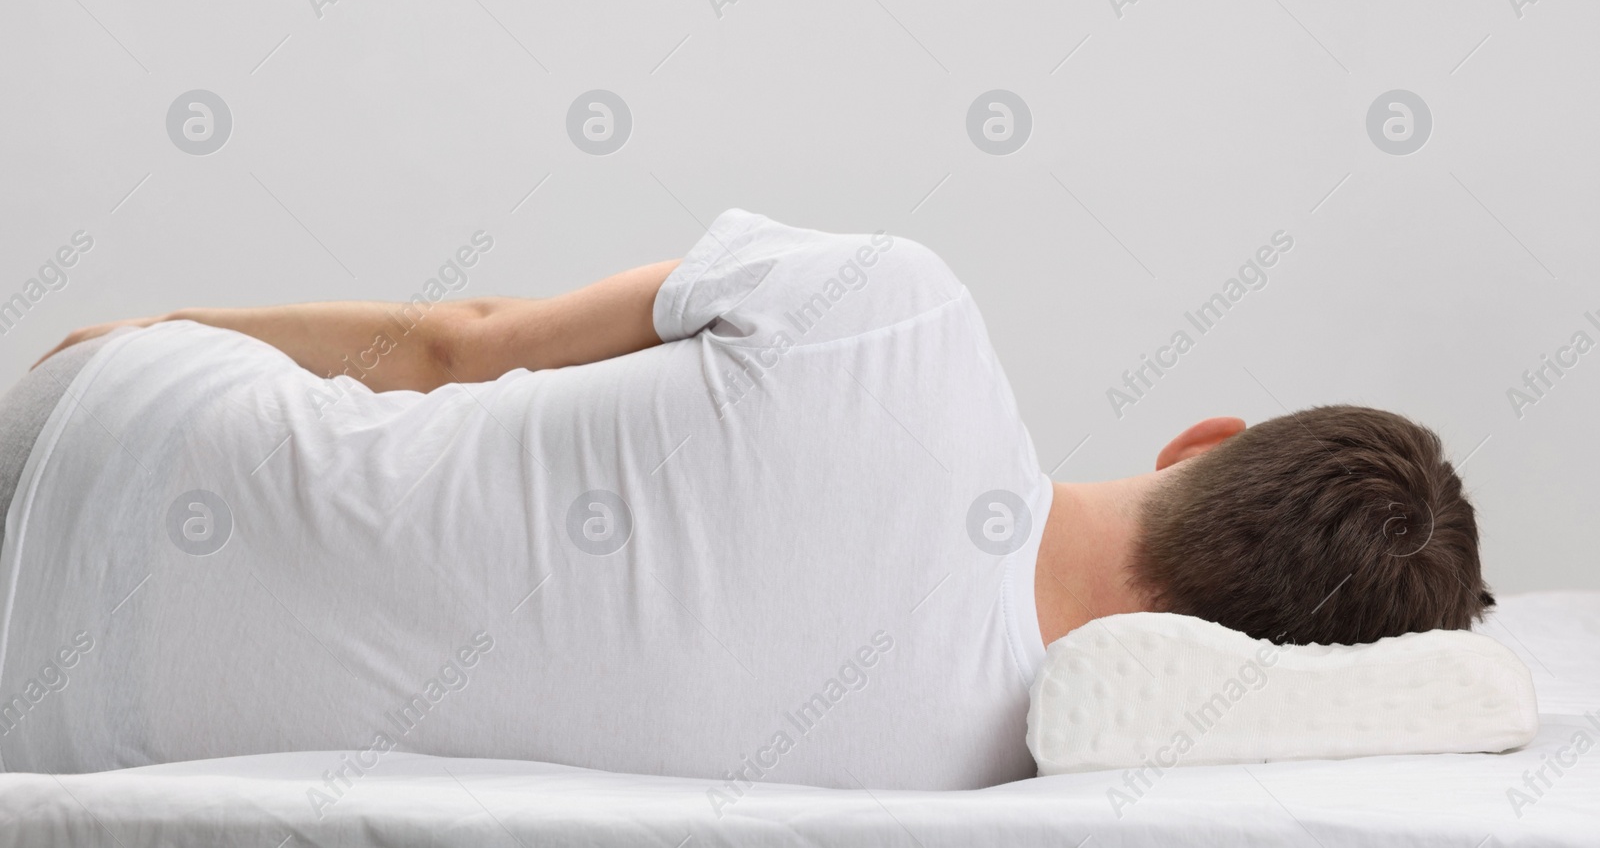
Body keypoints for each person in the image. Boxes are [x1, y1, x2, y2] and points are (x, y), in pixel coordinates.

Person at [0, 208, 1490, 799]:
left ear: (1203, 438)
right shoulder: (963, 781)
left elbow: (455, 343)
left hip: (114, 440)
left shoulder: (895, 315)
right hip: (61, 725)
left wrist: (162, 325)